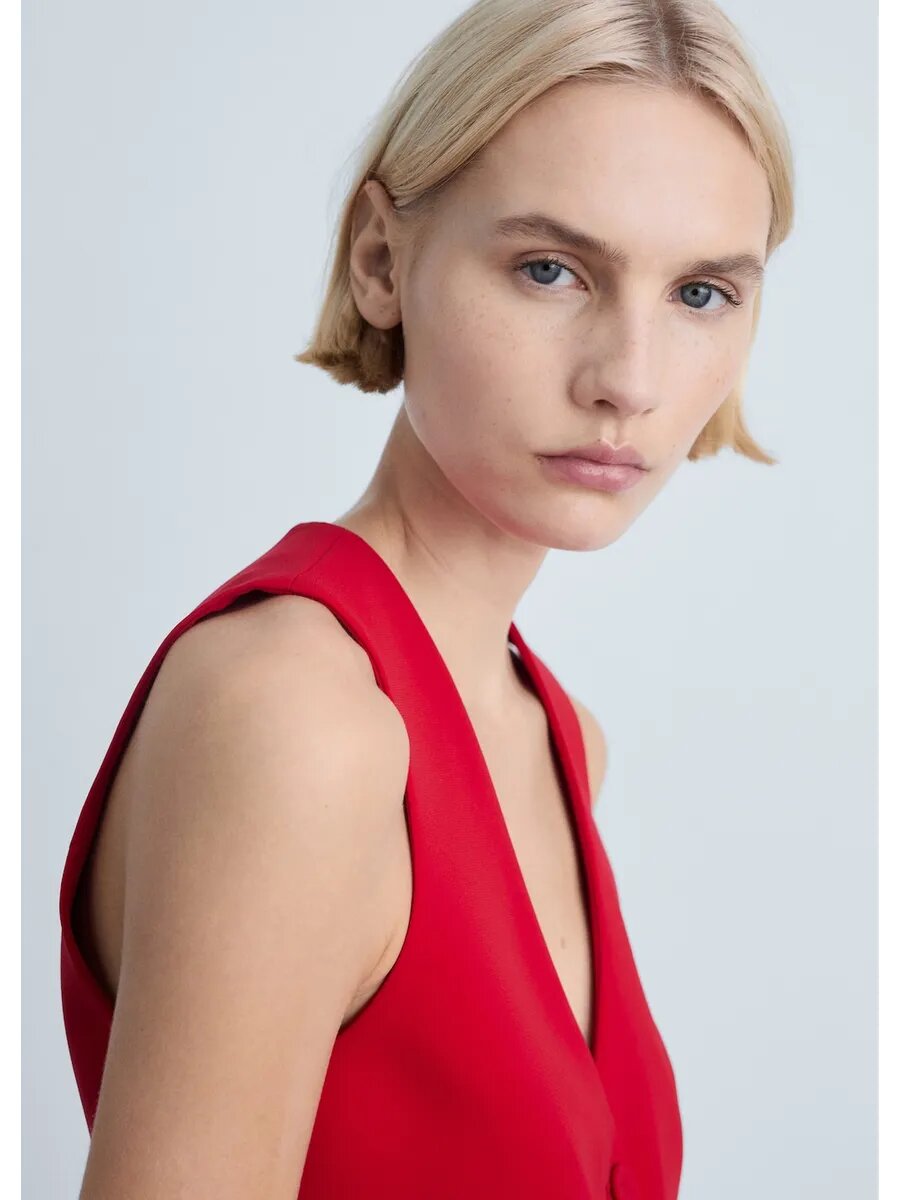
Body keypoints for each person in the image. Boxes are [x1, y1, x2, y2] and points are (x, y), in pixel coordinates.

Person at [59, 1, 794, 1197]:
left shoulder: (560, 735)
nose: (630, 379)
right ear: (381, 262)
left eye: (701, 293)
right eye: (551, 269)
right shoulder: (296, 716)